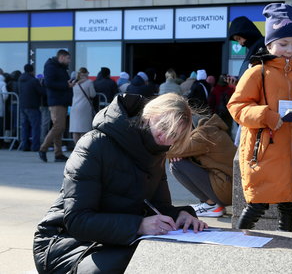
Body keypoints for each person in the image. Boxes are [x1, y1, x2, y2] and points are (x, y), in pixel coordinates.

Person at [33, 93, 207, 273]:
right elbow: (77, 220)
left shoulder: (155, 153)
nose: (165, 137)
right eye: (164, 126)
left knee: (174, 256)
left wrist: (180, 216)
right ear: (149, 115)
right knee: (132, 263)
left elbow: (158, 207)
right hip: (64, 243)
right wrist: (138, 225)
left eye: (174, 136)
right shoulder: (94, 144)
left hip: (115, 238)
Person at [227, 3, 292, 231]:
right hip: (265, 150)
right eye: (283, 44)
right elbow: (237, 106)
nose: (289, 50)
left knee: (288, 204)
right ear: (269, 43)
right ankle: (236, 240)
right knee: (257, 204)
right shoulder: (256, 72)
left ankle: (288, 242)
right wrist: (268, 116)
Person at [167, 114, 236, 217]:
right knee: (183, 159)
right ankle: (211, 204)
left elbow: (170, 152)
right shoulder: (210, 130)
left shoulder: (203, 136)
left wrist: (175, 150)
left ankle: (211, 205)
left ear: (182, 122)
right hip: (230, 187)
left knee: (177, 165)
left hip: (226, 191)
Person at [38, 49, 73, 162]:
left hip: (61, 100)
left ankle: (58, 154)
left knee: (59, 127)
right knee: (59, 126)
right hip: (56, 101)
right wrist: (66, 85)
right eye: (68, 58)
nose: (69, 61)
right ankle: (43, 149)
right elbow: (48, 83)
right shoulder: (51, 66)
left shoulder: (59, 67)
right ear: (62, 57)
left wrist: (68, 84)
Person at [228, 15, 266, 84]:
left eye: (239, 39)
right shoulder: (256, 46)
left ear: (246, 32)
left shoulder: (261, 45)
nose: (240, 43)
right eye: (237, 40)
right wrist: (238, 79)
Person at [18, 64, 43, 151]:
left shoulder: (20, 79)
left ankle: (25, 146)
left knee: (25, 127)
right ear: (32, 71)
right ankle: (35, 146)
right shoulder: (33, 80)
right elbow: (41, 91)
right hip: (32, 106)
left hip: (22, 106)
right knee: (35, 127)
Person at [69, 67, 97, 144]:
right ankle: (83, 148)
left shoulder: (74, 83)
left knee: (75, 129)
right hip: (85, 107)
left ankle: (76, 147)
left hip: (74, 107)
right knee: (84, 130)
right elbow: (92, 94)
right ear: (86, 73)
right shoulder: (89, 82)